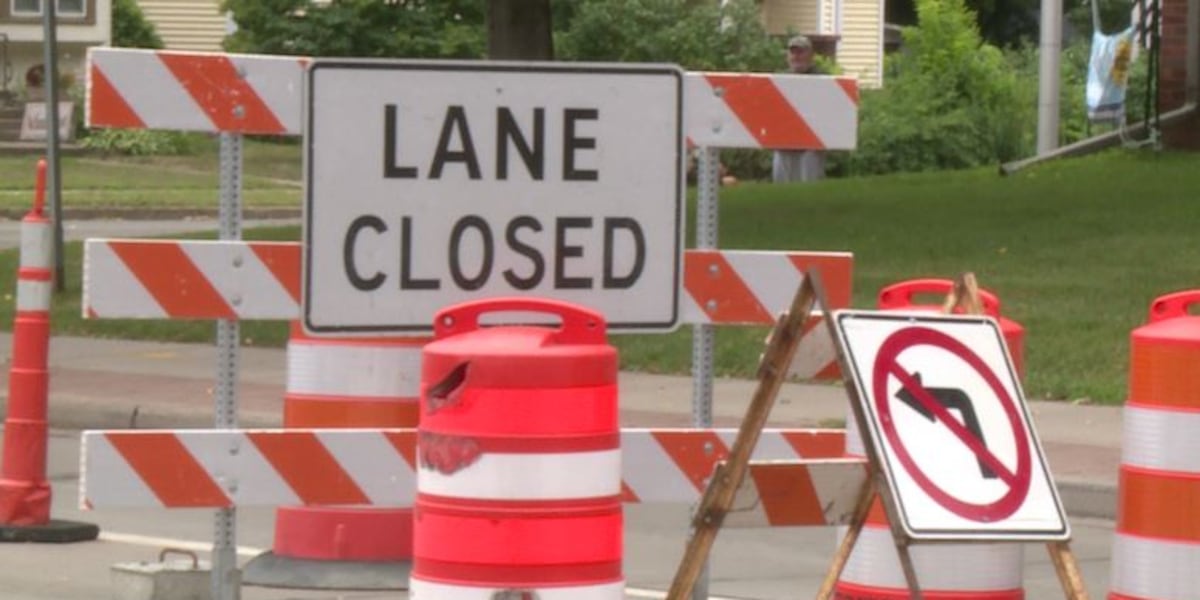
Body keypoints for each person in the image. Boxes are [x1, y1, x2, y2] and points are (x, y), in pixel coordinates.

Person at [773, 35, 827, 183]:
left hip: (811, 147)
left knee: (810, 191)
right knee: (780, 192)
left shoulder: (823, 80)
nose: (796, 56)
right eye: (793, 52)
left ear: (810, 55)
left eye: (801, 52)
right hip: (783, 145)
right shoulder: (778, 80)